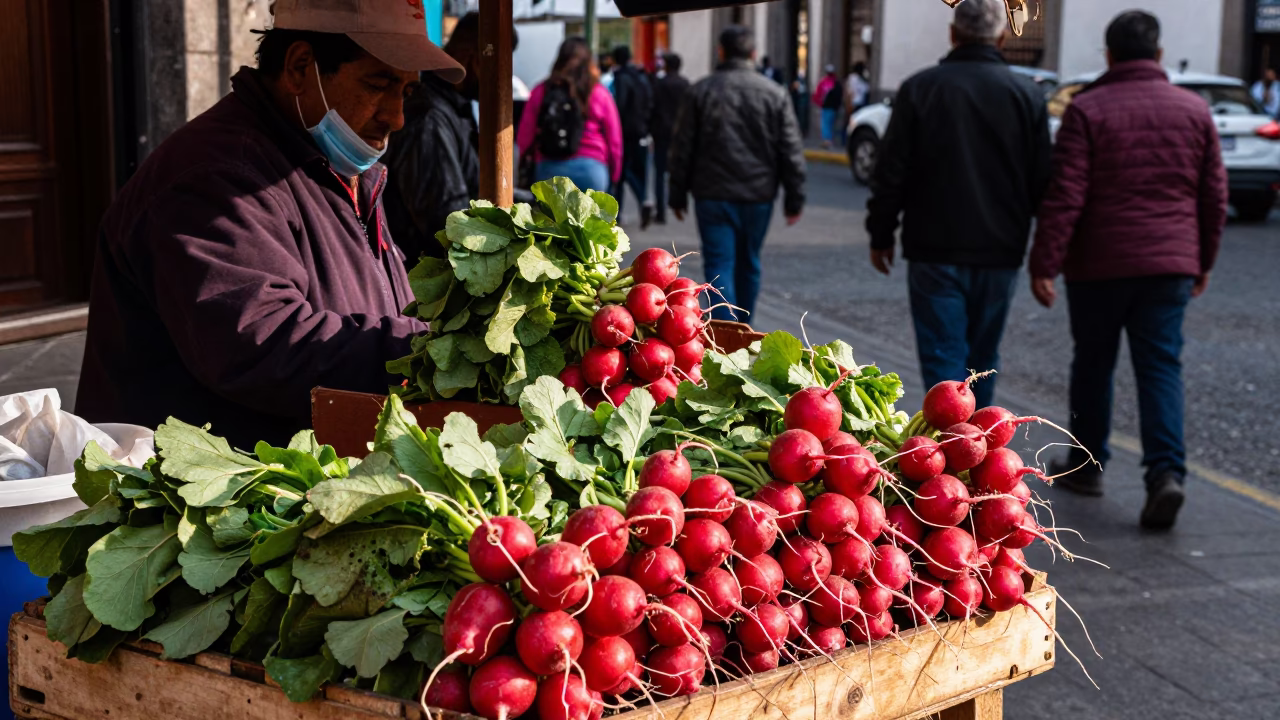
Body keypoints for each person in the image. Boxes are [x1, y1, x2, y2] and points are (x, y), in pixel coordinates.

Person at [75, 0, 464, 448]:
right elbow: (263, 343)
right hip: (197, 501)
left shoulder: (338, 169)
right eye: (379, 84)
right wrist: (430, 349)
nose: (395, 116)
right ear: (300, 67)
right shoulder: (216, 176)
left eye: (407, 93)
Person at [1028, 11, 1227, 530]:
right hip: (1170, 264)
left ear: (1109, 55)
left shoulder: (1087, 109)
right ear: (1159, 55)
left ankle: (1087, 467)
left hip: (1099, 265)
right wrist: (1203, 259)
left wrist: (1044, 262)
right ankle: (1165, 475)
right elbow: (1213, 194)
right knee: (1161, 366)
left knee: (1093, 364)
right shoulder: (1194, 110)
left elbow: (1066, 195)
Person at [864, 0, 1051, 411]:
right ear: (1002, 37)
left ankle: (951, 458)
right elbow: (1043, 181)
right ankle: (981, 455)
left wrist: (881, 234)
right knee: (983, 361)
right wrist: (1044, 256)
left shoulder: (920, 88)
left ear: (953, 33)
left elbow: (890, 172)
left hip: (934, 248)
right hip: (1001, 249)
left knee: (943, 361)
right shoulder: (1027, 95)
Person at [667, 25, 806, 323]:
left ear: (721, 51)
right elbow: (790, 151)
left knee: (719, 264)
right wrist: (794, 199)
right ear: (753, 54)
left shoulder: (701, 91)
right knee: (749, 262)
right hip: (758, 195)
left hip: (712, 194)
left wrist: (676, 193)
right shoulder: (774, 94)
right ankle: (745, 326)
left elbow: (682, 148)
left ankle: (727, 333)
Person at [383, 12, 496, 262]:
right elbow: (446, 220)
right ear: (475, 58)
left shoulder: (451, 110)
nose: (502, 78)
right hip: (423, 277)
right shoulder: (430, 118)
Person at [517, 38, 622, 193]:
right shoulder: (599, 93)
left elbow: (524, 136)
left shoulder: (542, 91)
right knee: (591, 217)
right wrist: (614, 175)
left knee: (551, 218)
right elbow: (615, 141)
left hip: (549, 170)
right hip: (592, 170)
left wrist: (524, 163)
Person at [610, 46, 654, 226]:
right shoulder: (641, 77)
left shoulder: (621, 78)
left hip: (623, 131)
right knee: (635, 170)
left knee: (621, 173)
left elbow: (619, 105)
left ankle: (618, 213)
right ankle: (644, 200)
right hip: (640, 130)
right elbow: (650, 103)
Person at [650, 52, 690, 226]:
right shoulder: (685, 84)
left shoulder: (658, 84)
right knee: (678, 169)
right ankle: (678, 203)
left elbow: (652, 108)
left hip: (661, 132)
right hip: (680, 133)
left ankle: (660, 211)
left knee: (659, 173)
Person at [812, 65, 842, 148]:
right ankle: (829, 140)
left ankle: (827, 141)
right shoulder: (836, 83)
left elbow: (817, 94)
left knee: (826, 124)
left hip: (826, 107)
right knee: (831, 124)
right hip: (833, 107)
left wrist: (819, 103)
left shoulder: (824, 82)